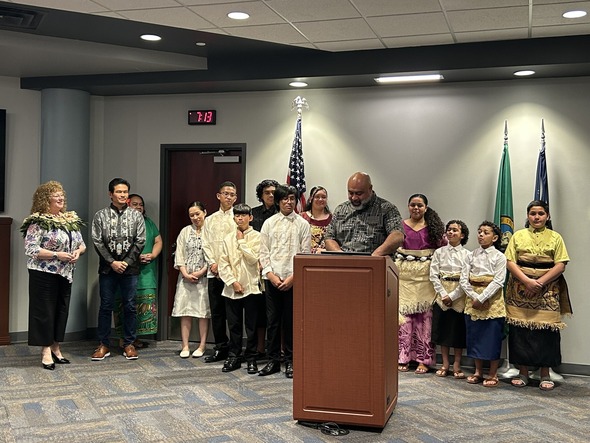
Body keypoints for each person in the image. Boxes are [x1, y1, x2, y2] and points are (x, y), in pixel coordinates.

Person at [505, 200, 571, 391]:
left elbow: (561, 264)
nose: (536, 217)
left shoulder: (556, 237)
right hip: (520, 288)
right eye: (533, 213)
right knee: (519, 332)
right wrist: (527, 281)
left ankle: (544, 373)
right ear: (528, 216)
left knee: (546, 333)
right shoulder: (518, 236)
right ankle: (523, 372)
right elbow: (510, 261)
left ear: (547, 216)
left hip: (547, 290)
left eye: (541, 213)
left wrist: (539, 282)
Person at [22, 181, 86, 370]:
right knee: (44, 311)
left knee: (61, 309)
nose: (61, 198)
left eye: (62, 195)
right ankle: (45, 351)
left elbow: (81, 244)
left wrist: (77, 253)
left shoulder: (69, 219)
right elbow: (31, 249)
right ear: (45, 199)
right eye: (56, 195)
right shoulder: (37, 221)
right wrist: (57, 255)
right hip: (43, 273)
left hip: (66, 273)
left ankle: (56, 346)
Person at [259, 185, 311, 378]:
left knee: (291, 322)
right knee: (272, 322)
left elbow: (305, 254)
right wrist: (270, 275)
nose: (289, 202)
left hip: (293, 280)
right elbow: (263, 252)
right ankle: (273, 360)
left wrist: (293, 278)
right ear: (278, 201)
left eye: (292, 198)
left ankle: (290, 360)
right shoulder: (269, 223)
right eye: (285, 199)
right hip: (272, 279)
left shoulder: (303, 224)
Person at [91, 178, 146, 361]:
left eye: (125, 192)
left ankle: (128, 343)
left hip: (130, 269)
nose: (123, 195)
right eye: (119, 192)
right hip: (108, 269)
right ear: (110, 194)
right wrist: (112, 262)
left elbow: (140, 241)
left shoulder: (136, 216)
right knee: (106, 306)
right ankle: (103, 344)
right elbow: (97, 241)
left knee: (130, 306)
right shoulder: (100, 216)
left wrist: (127, 262)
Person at [396, 194, 446, 374]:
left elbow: (443, 249)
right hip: (405, 278)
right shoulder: (399, 226)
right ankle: (403, 358)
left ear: (426, 207)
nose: (416, 208)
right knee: (403, 321)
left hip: (426, 279)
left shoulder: (433, 228)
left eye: (419, 205)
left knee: (425, 321)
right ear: (408, 206)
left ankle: (423, 360)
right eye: (413, 205)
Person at [460, 221, 506, 387]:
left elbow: (499, 281)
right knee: (475, 335)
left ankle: (493, 373)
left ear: (494, 238)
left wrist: (483, 297)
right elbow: (463, 280)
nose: (481, 235)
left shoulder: (499, 257)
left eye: (485, 232)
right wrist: (474, 297)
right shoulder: (471, 255)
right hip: (472, 299)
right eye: (479, 232)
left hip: (492, 300)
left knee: (492, 336)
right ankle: (478, 371)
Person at [114, 194, 162, 349]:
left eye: (141, 204)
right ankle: (124, 338)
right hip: (126, 271)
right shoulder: (121, 223)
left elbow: (158, 240)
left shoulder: (149, 223)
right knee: (125, 304)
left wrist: (153, 254)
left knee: (142, 306)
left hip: (147, 273)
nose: (139, 207)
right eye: (135, 204)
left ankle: (134, 338)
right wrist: (135, 258)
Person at [218, 203, 262, 374]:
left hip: (251, 288)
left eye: (244, 215)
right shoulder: (228, 238)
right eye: (237, 215)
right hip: (232, 289)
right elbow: (223, 263)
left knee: (251, 326)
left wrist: (242, 241)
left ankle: (251, 358)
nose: (240, 218)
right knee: (234, 326)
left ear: (250, 217)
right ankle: (234, 356)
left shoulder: (257, 236)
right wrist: (232, 282)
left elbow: (254, 260)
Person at [325, 172, 403, 255]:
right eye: (351, 193)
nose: (354, 198)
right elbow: (329, 238)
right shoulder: (340, 210)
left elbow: (397, 235)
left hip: (375, 263)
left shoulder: (387, 209)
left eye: (359, 193)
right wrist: (340, 255)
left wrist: (375, 256)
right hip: (345, 264)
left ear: (370, 189)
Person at [429, 220, 470, 379]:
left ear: (462, 235)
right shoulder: (439, 252)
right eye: (449, 230)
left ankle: (457, 364)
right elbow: (433, 275)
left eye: (455, 230)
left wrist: (453, 296)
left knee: (457, 332)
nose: (451, 233)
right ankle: (445, 364)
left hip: (459, 295)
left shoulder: (468, 254)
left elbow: (466, 278)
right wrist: (443, 294)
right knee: (443, 331)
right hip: (441, 294)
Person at [202, 181, 238, 363]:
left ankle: (234, 351)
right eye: (225, 193)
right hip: (214, 272)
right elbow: (205, 244)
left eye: (232, 194)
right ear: (218, 196)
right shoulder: (210, 220)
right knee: (217, 312)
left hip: (231, 273)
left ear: (236, 198)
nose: (228, 197)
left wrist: (225, 266)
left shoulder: (237, 218)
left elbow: (237, 245)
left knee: (232, 314)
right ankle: (220, 347)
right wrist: (213, 263)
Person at [171, 201, 210, 358]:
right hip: (186, 278)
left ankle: (202, 345)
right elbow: (179, 254)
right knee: (185, 311)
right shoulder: (185, 231)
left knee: (202, 313)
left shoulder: (210, 230)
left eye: (197, 214)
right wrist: (185, 273)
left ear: (204, 212)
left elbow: (214, 254)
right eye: (192, 215)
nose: (195, 217)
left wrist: (202, 271)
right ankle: (185, 345)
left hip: (205, 277)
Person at [250, 179, 279, 356]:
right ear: (261, 195)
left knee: (275, 312)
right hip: (253, 268)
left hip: (274, 268)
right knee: (258, 310)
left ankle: (276, 348)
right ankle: (259, 348)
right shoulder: (252, 213)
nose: (271, 195)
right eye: (267, 192)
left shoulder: (281, 213)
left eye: (274, 192)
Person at [300, 186, 332, 253]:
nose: (320, 199)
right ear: (311, 199)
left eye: (323, 197)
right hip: (305, 257)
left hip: (326, 258)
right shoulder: (301, 217)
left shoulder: (333, 219)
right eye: (317, 197)